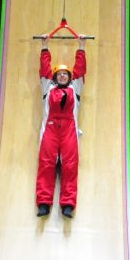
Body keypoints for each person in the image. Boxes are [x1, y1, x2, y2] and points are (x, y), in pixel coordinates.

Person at [36, 35, 87, 218]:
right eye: (60, 74)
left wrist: (81, 46)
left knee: (70, 167)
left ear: (69, 77)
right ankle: (43, 203)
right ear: (55, 77)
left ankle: (68, 204)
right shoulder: (47, 88)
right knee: (46, 165)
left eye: (66, 73)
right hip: (50, 130)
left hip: (69, 132)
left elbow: (80, 70)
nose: (63, 75)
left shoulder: (76, 89)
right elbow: (44, 69)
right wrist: (44, 45)